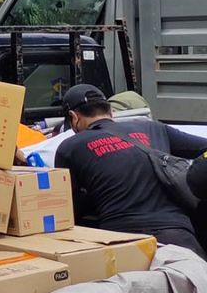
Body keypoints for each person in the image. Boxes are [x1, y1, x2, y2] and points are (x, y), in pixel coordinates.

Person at [54, 84, 207, 257]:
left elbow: (66, 211)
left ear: (74, 117)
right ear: (110, 111)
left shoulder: (69, 147)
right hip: (179, 237)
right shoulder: (154, 128)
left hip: (124, 242)